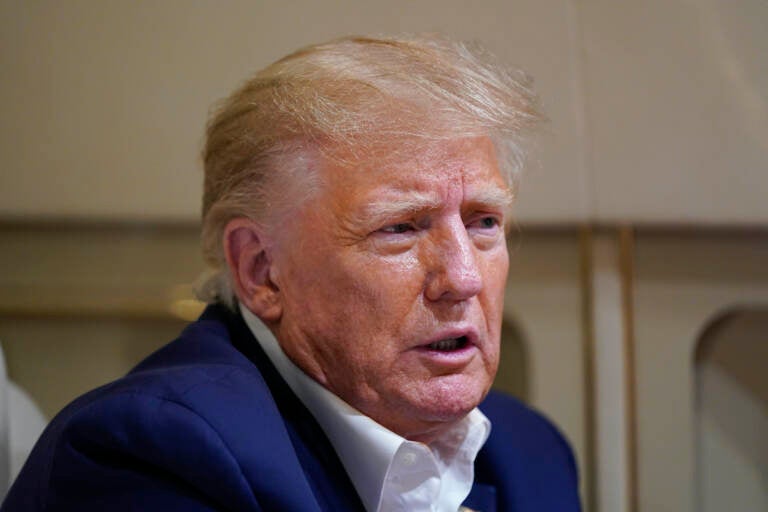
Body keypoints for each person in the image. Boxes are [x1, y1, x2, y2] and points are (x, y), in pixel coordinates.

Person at [3, 35, 580, 511]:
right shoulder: (150, 457)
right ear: (261, 271)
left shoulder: (533, 450)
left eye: (483, 222)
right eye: (400, 228)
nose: (463, 277)